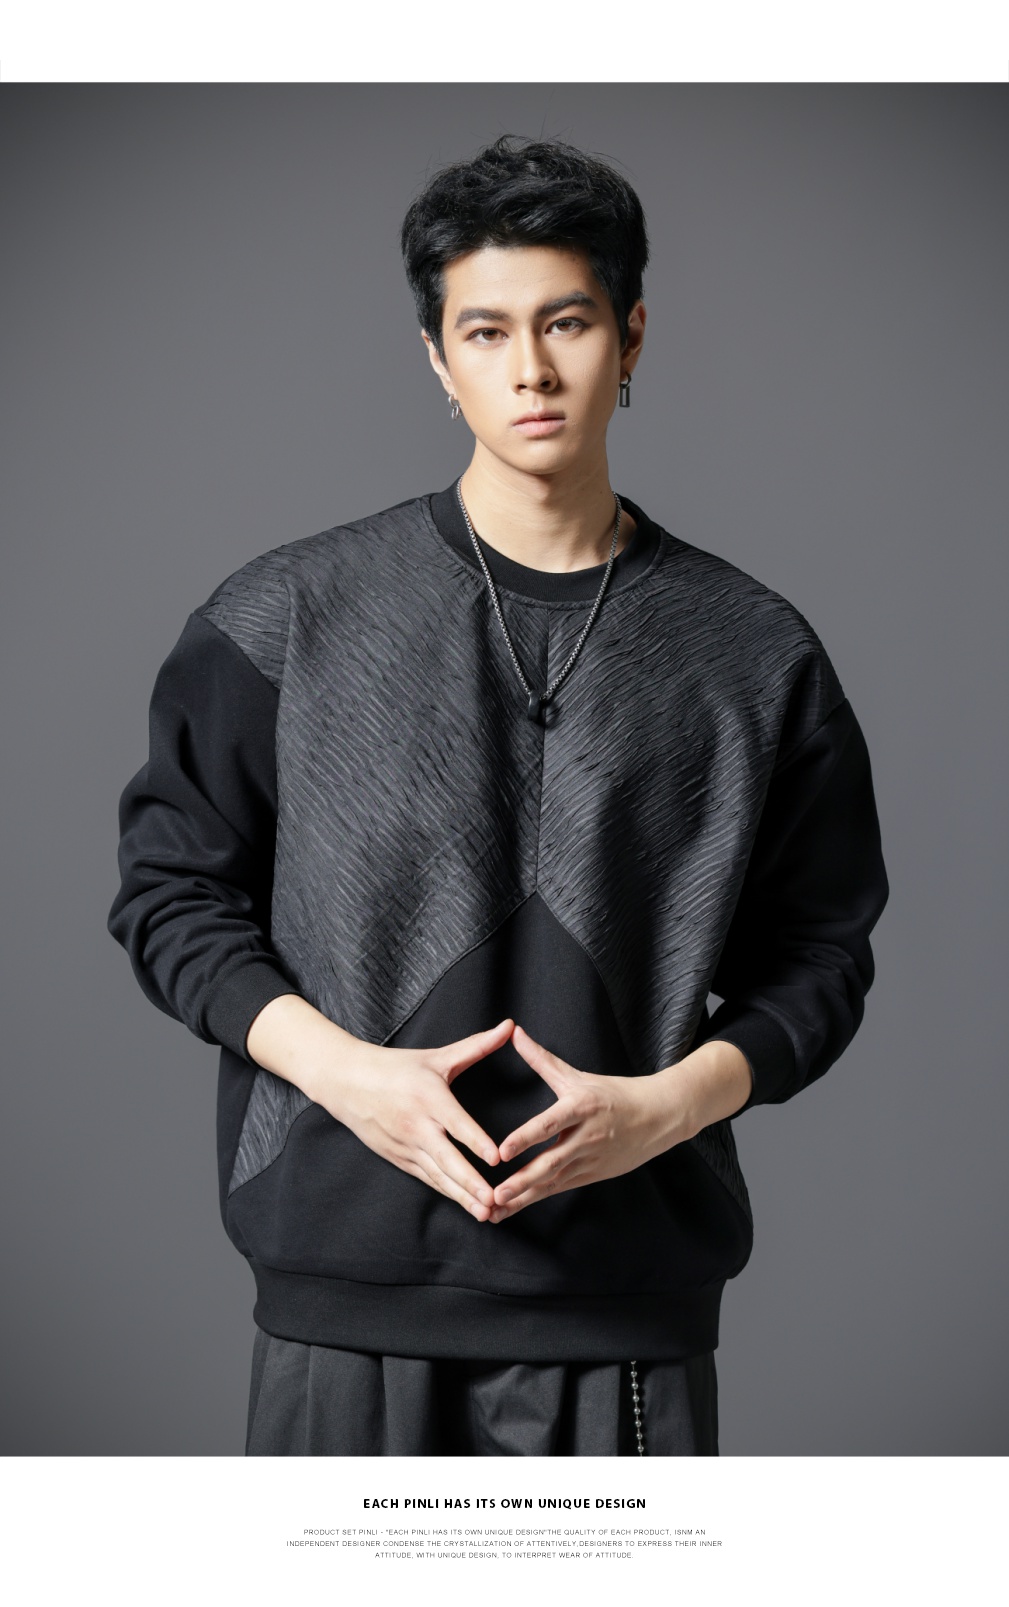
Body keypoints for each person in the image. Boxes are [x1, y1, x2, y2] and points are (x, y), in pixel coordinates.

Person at [108, 134, 889, 1457]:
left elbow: (820, 957)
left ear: (630, 336)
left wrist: (667, 1109)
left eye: (566, 322)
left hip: (625, 1299)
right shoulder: (284, 617)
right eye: (485, 331)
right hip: (339, 1293)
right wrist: (350, 1078)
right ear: (437, 356)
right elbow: (173, 897)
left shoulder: (756, 654)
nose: (529, 369)